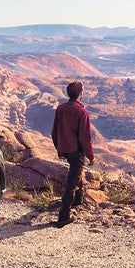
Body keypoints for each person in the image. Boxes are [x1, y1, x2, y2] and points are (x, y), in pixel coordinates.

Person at [51, 80, 95, 228]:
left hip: (65, 149)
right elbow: (85, 137)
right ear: (81, 94)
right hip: (77, 151)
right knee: (72, 181)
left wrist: (59, 148)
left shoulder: (61, 108)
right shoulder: (81, 112)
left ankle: (78, 200)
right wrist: (91, 156)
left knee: (76, 173)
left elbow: (55, 131)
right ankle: (64, 216)